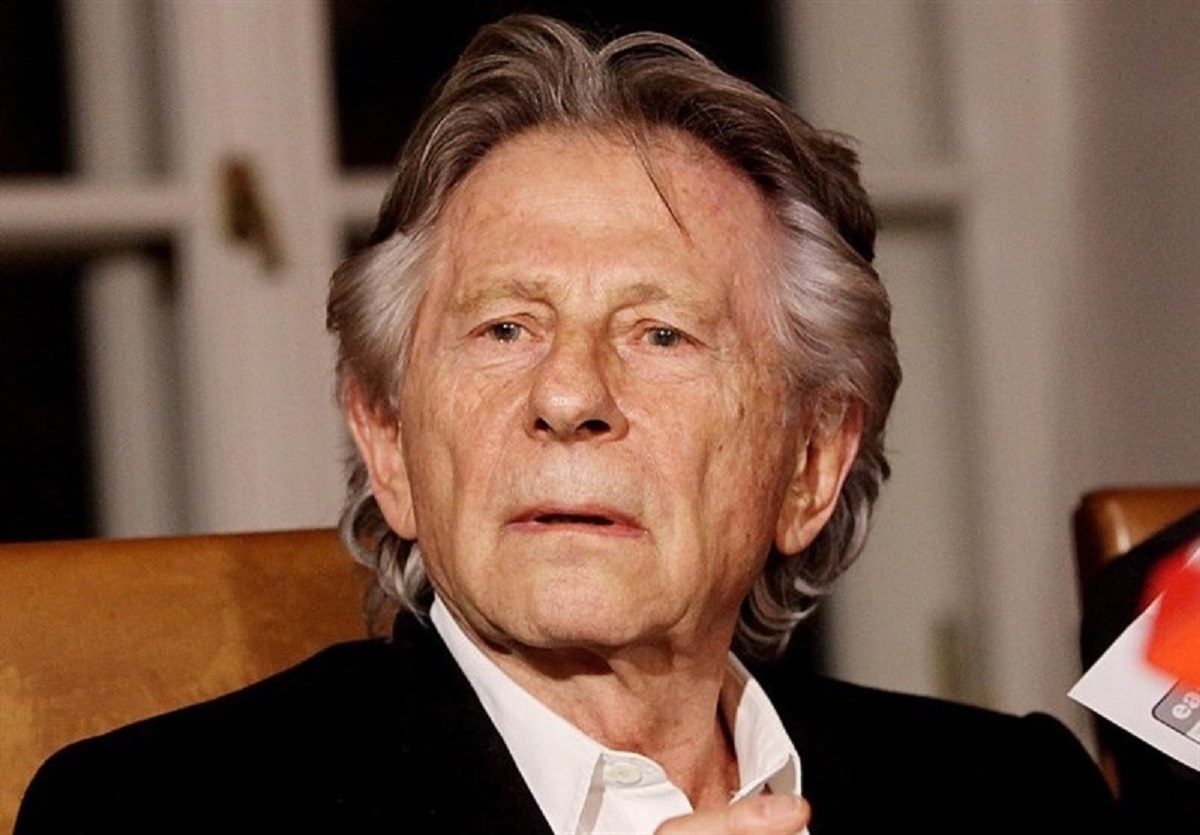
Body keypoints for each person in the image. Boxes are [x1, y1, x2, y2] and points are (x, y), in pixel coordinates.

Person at [17, 14, 1117, 835]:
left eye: (661, 334)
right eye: (505, 328)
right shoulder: (155, 815)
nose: (569, 396)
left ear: (811, 462)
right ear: (388, 440)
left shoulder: (1009, 795)